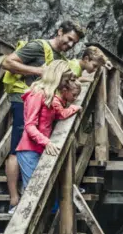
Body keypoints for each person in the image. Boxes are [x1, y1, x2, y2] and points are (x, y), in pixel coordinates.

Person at [1, 19, 85, 212]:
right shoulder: (38, 47)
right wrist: (39, 71)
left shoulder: (60, 57)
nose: (70, 44)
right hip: (24, 100)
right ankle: (15, 199)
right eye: (69, 38)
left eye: (74, 42)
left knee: (33, 147)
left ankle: (35, 194)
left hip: (43, 104)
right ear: (60, 31)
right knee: (16, 148)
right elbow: (7, 62)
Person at [15, 61, 81, 193]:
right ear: (57, 76)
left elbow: (59, 114)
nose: (67, 83)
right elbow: (30, 125)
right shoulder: (37, 94)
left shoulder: (49, 95)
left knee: (45, 191)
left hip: (41, 148)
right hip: (29, 149)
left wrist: (73, 108)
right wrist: (47, 142)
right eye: (66, 79)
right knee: (34, 191)